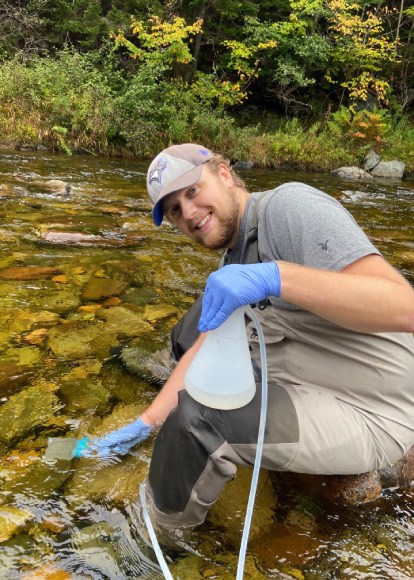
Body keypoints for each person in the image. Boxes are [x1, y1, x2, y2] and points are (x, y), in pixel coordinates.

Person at [80, 143, 414, 535]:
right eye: (173, 210)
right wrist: (147, 421)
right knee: (190, 330)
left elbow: (403, 306)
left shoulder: (291, 208)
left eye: (192, 191)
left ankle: (153, 539)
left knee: (199, 420)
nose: (187, 213)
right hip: (318, 380)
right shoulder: (234, 258)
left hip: (374, 409)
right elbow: (206, 345)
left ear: (224, 174)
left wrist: (275, 277)